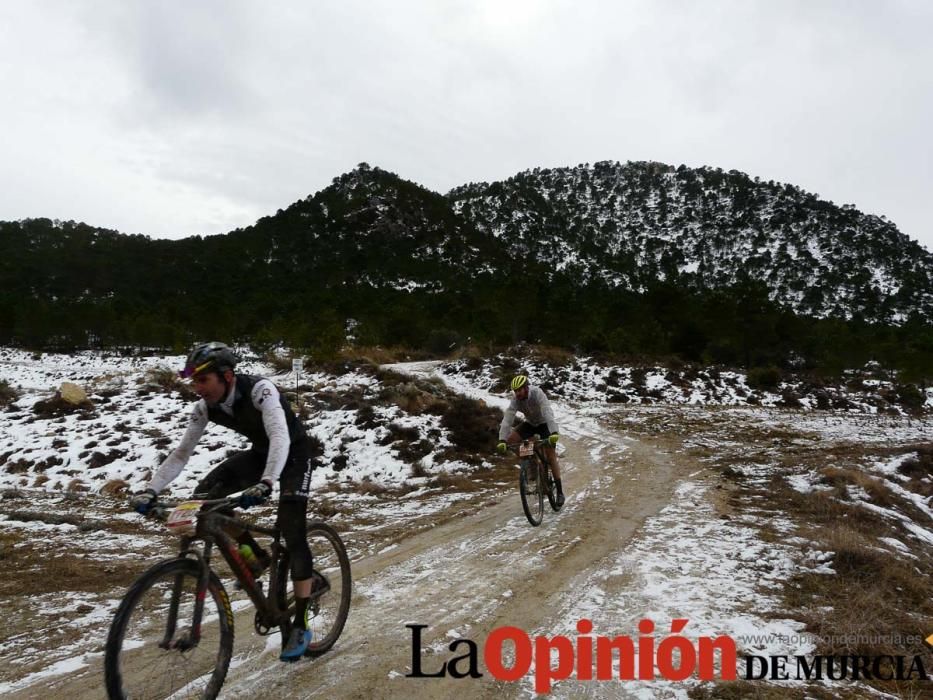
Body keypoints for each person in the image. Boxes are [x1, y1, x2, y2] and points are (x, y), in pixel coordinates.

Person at [129, 342, 317, 662]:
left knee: (291, 529)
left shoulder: (260, 391)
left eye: (203, 380)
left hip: (294, 455)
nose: (197, 388)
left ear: (226, 376)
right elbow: (180, 454)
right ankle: (254, 553)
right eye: (194, 381)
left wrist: (267, 482)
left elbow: (281, 439)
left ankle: (300, 622)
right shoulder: (204, 407)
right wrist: (151, 490)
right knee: (202, 500)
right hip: (261, 455)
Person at [496, 374, 565, 508]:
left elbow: (547, 411)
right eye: (515, 391)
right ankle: (532, 463)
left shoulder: (537, 393)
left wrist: (554, 432)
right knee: (511, 441)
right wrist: (502, 439)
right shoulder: (516, 400)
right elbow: (508, 418)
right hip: (531, 424)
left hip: (544, 424)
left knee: (551, 456)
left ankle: (560, 492)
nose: (517, 393)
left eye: (519, 390)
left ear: (526, 388)